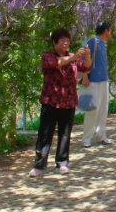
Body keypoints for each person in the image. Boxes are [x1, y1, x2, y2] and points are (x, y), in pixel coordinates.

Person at [29, 28, 91, 177]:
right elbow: (56, 63)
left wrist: (87, 56)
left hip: (69, 102)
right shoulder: (47, 56)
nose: (66, 43)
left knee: (65, 134)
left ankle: (62, 163)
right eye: (63, 40)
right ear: (54, 42)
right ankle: (39, 165)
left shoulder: (72, 57)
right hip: (50, 101)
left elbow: (86, 67)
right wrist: (74, 57)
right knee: (45, 134)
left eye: (67, 41)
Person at [81, 21, 113, 147]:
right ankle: (86, 139)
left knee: (103, 110)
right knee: (92, 110)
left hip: (104, 81)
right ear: (106, 31)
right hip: (94, 82)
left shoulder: (103, 44)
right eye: (109, 30)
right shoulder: (92, 41)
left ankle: (101, 135)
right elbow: (84, 60)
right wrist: (85, 77)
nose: (110, 33)